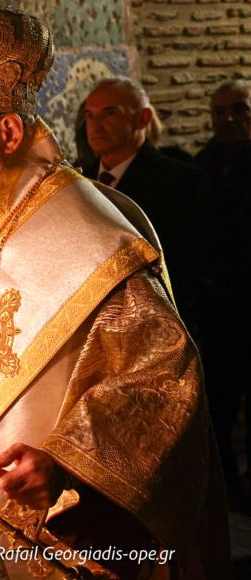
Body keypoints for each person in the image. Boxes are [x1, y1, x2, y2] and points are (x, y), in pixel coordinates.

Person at [0, 6, 227, 578]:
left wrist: (66, 462)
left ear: (7, 132)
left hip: (48, 533)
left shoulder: (86, 231)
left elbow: (163, 377)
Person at [81, 77, 208, 320]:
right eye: (90, 115)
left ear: (142, 119)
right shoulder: (79, 182)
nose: (96, 126)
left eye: (109, 114)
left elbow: (194, 265)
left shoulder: (181, 181)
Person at [195, 80, 251, 498]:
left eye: (238, 109)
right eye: (220, 112)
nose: (228, 119)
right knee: (221, 403)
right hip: (222, 311)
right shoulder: (202, 168)